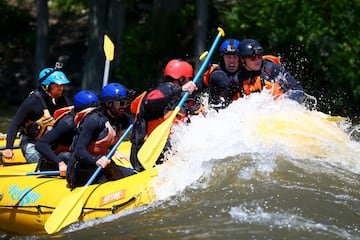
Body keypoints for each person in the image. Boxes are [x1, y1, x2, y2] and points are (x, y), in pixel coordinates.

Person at [129, 59, 197, 172]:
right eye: (188, 80)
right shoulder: (164, 90)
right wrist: (181, 89)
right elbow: (151, 100)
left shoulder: (175, 97)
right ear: (181, 79)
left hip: (158, 152)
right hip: (146, 154)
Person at [66, 83, 134, 189]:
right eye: (121, 103)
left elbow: (138, 124)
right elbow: (78, 151)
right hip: (82, 171)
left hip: (103, 167)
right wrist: (95, 160)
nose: (124, 106)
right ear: (108, 103)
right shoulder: (93, 120)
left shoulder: (121, 117)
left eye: (126, 103)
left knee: (133, 175)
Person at [3, 63, 72, 163]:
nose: (61, 88)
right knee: (42, 163)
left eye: (62, 85)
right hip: (32, 143)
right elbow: (15, 124)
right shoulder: (33, 101)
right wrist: (9, 148)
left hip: (51, 143)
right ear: (46, 86)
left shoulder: (64, 101)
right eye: (57, 85)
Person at [35, 90, 100, 176]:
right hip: (56, 162)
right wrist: (60, 163)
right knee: (67, 156)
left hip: (73, 156)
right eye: (93, 111)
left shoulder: (91, 122)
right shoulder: (67, 123)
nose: (96, 114)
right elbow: (40, 144)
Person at [237, 38, 305, 102]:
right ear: (243, 59)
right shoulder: (238, 78)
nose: (257, 60)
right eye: (252, 58)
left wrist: (284, 102)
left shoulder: (274, 69)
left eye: (259, 56)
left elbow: (299, 91)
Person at [207, 38, 242, 109]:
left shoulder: (245, 71)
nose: (232, 61)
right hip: (218, 113)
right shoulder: (216, 73)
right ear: (223, 58)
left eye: (235, 57)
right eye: (228, 57)